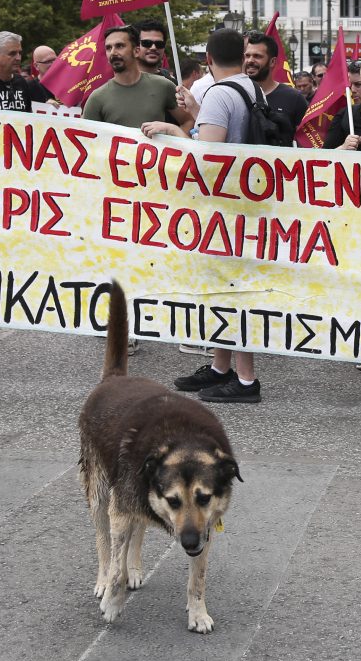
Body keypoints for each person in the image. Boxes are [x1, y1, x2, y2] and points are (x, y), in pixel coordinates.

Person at [168, 30, 263, 403]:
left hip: (223, 207)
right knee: (222, 288)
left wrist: (175, 130)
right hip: (243, 203)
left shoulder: (219, 94)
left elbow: (208, 156)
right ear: (242, 55)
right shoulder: (248, 88)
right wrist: (196, 111)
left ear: (207, 58)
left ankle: (245, 379)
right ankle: (221, 366)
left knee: (230, 290)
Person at [82, 25, 194, 133]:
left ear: (136, 51)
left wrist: (172, 140)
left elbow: (189, 121)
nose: (113, 52)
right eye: (108, 48)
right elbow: (85, 139)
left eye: (120, 46)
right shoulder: (97, 98)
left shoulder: (163, 86)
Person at [0, 31, 53, 111]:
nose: (18, 58)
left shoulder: (21, 82)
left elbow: (28, 116)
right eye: (12, 53)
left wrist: (45, 109)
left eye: (20, 53)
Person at [243, 31, 308, 135]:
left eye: (257, 56)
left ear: (272, 62)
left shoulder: (294, 98)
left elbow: (305, 140)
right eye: (247, 56)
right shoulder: (236, 94)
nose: (250, 60)